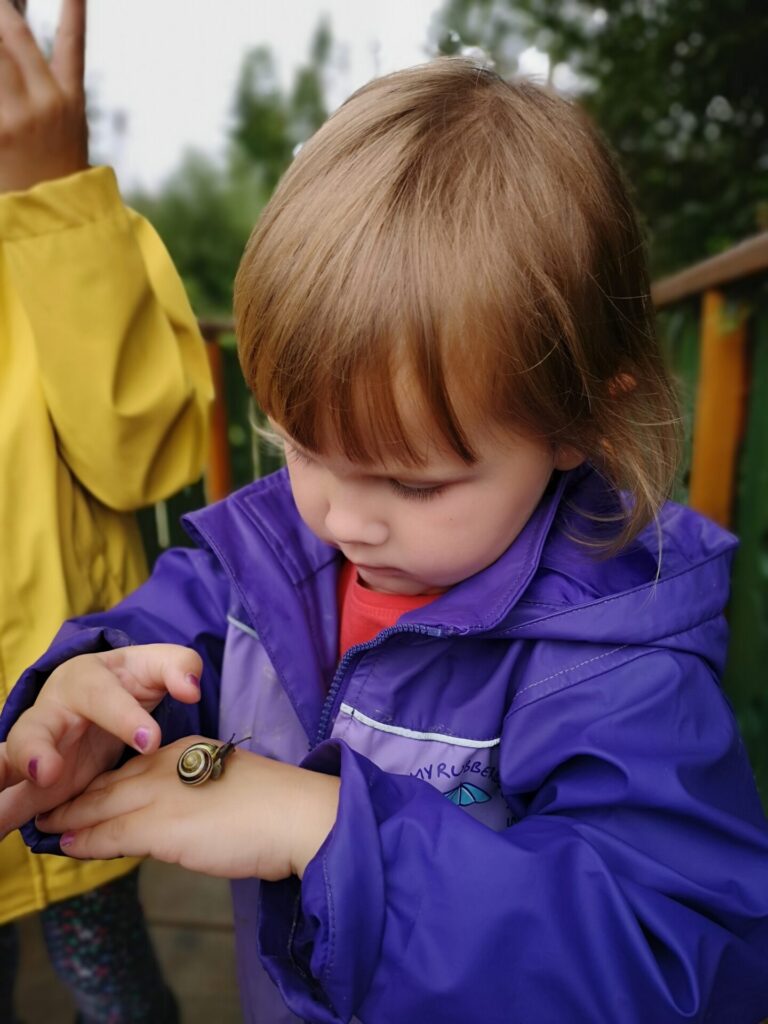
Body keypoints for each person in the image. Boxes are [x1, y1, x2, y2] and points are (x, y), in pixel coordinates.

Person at [1, 57, 768, 1024]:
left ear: (576, 418)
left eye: (414, 480)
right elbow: (167, 637)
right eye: (300, 446)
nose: (342, 518)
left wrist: (326, 830)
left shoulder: (618, 665)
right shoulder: (272, 556)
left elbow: (681, 969)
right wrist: (90, 699)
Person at [0, 0, 212, 1021]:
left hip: (80, 748)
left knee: (119, 996)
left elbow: (148, 458)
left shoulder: (86, 224)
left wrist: (54, 202)